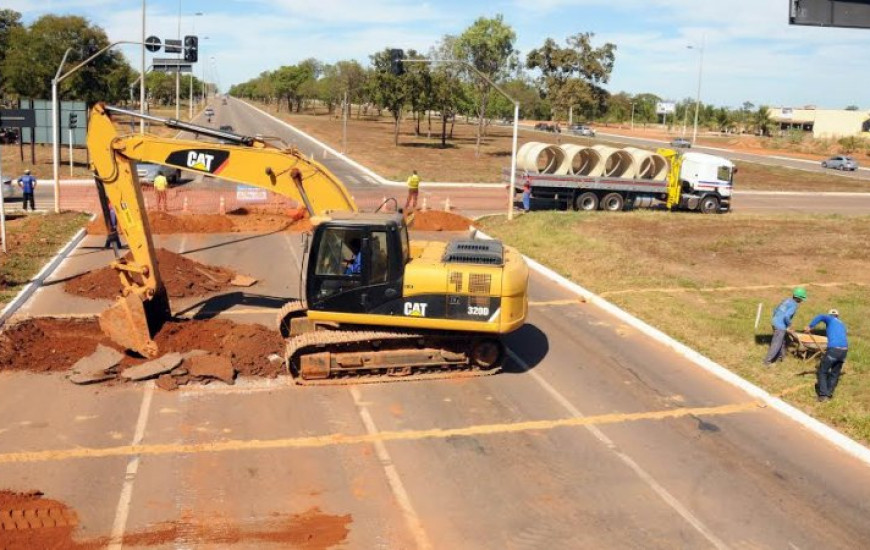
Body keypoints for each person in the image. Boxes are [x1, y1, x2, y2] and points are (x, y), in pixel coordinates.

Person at [804, 309, 848, 402]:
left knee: (822, 371)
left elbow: (821, 316)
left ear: (830, 315)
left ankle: (823, 395)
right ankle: (828, 395)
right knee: (835, 373)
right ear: (838, 316)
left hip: (834, 349)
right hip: (844, 350)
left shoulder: (830, 319)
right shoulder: (842, 324)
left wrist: (810, 326)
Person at [763, 287, 807, 365]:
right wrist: (789, 325)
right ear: (798, 298)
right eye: (802, 299)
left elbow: (775, 310)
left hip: (775, 322)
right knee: (776, 343)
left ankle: (781, 358)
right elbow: (786, 316)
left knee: (782, 341)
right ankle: (767, 362)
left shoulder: (787, 300)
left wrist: (775, 320)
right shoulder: (794, 305)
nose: (802, 301)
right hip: (780, 326)